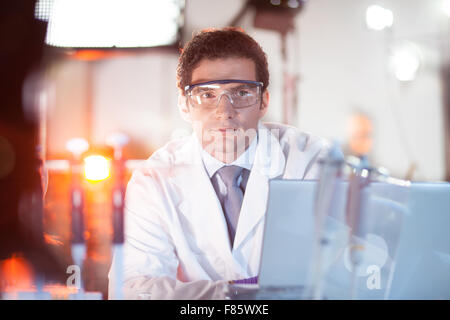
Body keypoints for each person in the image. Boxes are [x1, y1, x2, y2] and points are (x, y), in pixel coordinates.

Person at [108, 27, 330, 299]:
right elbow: (132, 289)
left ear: (263, 102)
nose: (225, 112)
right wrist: (241, 297)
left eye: (241, 93)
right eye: (207, 94)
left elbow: (341, 274)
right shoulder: (154, 180)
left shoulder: (311, 162)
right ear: (184, 105)